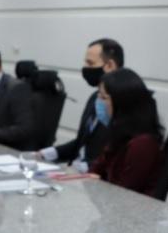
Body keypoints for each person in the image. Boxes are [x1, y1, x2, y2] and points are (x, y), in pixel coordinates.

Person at [40, 38, 123, 170]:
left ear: (110, 66)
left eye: (91, 63)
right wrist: (45, 154)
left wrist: (81, 168)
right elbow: (82, 142)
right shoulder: (94, 98)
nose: (86, 69)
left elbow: (118, 156)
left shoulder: (125, 103)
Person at [87, 68, 164, 196]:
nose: (98, 102)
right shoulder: (120, 134)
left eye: (103, 97)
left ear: (122, 102)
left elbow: (124, 194)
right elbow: (94, 171)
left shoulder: (142, 144)